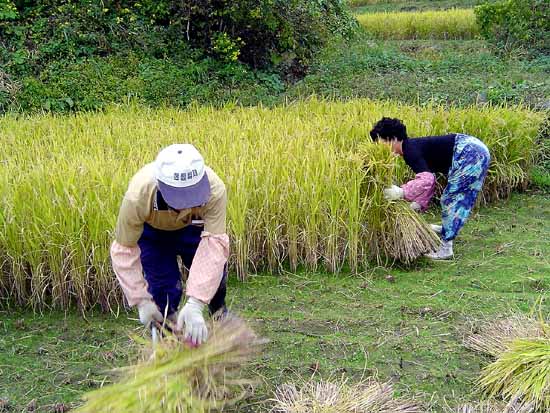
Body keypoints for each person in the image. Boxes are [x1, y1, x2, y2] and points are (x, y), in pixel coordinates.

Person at [110, 143, 229, 346]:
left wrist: (196, 303)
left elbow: (214, 247)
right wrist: (141, 300)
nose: (185, 203)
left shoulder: (215, 189)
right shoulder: (139, 194)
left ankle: (218, 314)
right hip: (153, 234)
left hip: (194, 227)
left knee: (216, 279)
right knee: (162, 289)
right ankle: (168, 337)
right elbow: (124, 249)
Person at [370, 117, 490, 260]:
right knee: (451, 197)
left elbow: (427, 180)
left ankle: (446, 249)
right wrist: (418, 205)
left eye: (381, 142)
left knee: (453, 198)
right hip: (472, 148)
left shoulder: (410, 150)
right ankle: (447, 230)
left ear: (393, 139)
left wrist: (401, 192)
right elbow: (429, 183)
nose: (381, 148)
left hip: (470, 152)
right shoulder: (410, 148)